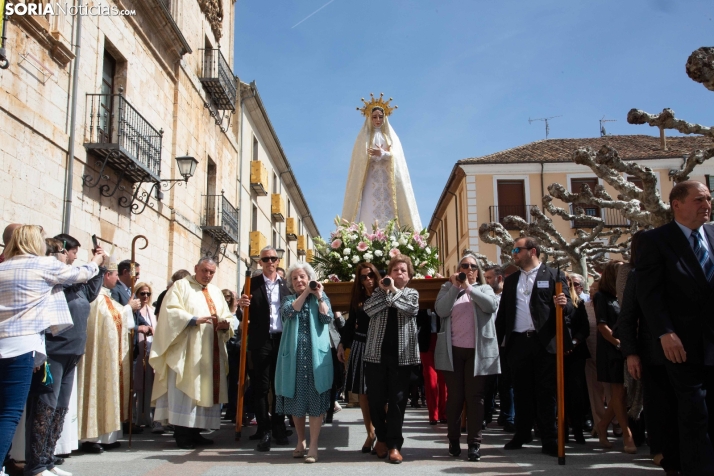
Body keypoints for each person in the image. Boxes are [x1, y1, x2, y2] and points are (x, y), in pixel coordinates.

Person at [0, 225, 101, 470]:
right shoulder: (42, 265)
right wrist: (96, 259)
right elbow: (81, 274)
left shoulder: (2, 267)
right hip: (22, 346)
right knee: (9, 413)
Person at [637, 180, 714, 475]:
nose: (706, 204)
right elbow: (649, 294)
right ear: (677, 204)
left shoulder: (713, 234)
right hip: (681, 345)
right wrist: (664, 332)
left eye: (708, 199)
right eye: (699, 199)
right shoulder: (656, 240)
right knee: (695, 412)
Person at [23, 236, 106, 476]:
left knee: (59, 408)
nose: (72, 257)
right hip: (54, 351)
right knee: (44, 407)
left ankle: (48, 457)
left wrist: (99, 268)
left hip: (73, 350)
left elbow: (89, 293)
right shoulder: (54, 276)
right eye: (70, 252)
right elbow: (78, 276)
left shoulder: (73, 279)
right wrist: (94, 264)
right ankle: (35, 464)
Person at [495, 236, 572, 457]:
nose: (514, 254)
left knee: (546, 393)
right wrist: (497, 343)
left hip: (544, 342)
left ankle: (549, 437)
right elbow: (503, 315)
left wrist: (564, 304)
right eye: (513, 250)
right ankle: (522, 433)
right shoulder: (511, 280)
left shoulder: (554, 275)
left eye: (517, 249)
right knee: (521, 391)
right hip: (518, 342)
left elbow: (568, 311)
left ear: (532, 251)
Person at [149, 257, 233, 449]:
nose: (208, 275)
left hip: (210, 353)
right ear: (196, 268)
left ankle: (196, 432)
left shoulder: (216, 291)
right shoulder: (181, 286)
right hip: (187, 350)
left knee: (203, 391)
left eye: (212, 272)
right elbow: (170, 312)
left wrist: (225, 324)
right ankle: (182, 434)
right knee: (186, 391)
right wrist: (193, 319)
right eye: (204, 271)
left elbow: (227, 315)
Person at [617, 232, 680, 473]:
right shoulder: (635, 274)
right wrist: (631, 353)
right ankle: (661, 451)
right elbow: (627, 316)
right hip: (653, 354)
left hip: (687, 352)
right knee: (658, 406)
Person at [434, 253, 500, 462]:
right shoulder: (447, 289)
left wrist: (469, 288)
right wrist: (455, 287)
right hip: (453, 351)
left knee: (476, 398)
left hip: (478, 353)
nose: (469, 269)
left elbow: (490, 306)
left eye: (473, 266)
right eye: (465, 265)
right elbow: (441, 310)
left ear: (478, 270)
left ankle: (474, 444)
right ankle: (453, 440)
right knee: (455, 397)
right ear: (459, 268)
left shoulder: (484, 289)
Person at [274, 263, 334, 464]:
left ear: (309, 278)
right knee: (297, 401)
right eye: (295, 278)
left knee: (316, 402)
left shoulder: (321, 298)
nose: (299, 281)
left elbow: (327, 318)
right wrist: (305, 293)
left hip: (316, 357)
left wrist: (318, 296)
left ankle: (314, 445)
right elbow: (290, 313)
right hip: (295, 357)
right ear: (291, 283)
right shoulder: (288, 299)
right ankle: (301, 441)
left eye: (302, 277)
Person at [363, 254, 420, 464]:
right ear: (389, 273)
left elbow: (411, 309)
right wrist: (386, 292)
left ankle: (394, 445)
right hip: (375, 355)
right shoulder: (379, 292)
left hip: (402, 356)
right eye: (395, 270)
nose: (399, 273)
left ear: (409, 275)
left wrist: (393, 292)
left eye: (403, 270)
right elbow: (368, 310)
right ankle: (382, 438)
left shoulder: (412, 293)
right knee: (376, 399)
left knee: (397, 402)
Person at [76, 256, 136, 453]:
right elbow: (113, 320)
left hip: (110, 357)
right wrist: (129, 308)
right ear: (106, 276)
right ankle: (91, 436)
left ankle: (108, 436)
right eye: (115, 275)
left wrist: (126, 309)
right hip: (99, 358)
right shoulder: (97, 299)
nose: (118, 279)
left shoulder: (106, 297)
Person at [237, 246, 292, 451]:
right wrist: (241, 306)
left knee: (279, 387)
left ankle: (279, 426)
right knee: (261, 387)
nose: (270, 262)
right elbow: (242, 317)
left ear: (278, 262)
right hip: (260, 341)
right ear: (260, 262)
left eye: (273, 259)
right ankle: (264, 429)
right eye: (266, 259)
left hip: (281, 340)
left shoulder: (286, 286)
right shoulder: (251, 284)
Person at [341, 95, 421, 230]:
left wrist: (384, 154)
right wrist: (369, 157)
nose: (378, 120)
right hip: (370, 181)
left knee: (390, 211)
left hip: (388, 182)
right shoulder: (363, 138)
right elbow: (358, 161)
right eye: (374, 117)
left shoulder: (391, 137)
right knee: (369, 208)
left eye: (380, 117)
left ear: (384, 118)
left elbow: (398, 158)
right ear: (369, 118)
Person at [594, 260, 636, 453]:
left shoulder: (622, 296)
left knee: (622, 394)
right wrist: (619, 344)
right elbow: (602, 327)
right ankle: (627, 435)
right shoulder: (601, 297)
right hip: (612, 349)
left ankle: (603, 425)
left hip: (624, 347)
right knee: (618, 392)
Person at [337, 262, 380, 453]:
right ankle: (370, 433)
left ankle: (382, 433)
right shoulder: (358, 298)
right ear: (359, 280)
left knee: (382, 392)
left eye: (370, 275)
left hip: (380, 347)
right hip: (361, 345)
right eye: (363, 277)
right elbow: (350, 323)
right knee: (363, 393)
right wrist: (341, 344)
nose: (368, 279)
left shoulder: (385, 292)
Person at [483, 265, 514, 432]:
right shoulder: (484, 296)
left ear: (499, 279)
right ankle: (485, 415)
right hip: (488, 345)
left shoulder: (509, 297)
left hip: (504, 346)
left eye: (489, 278)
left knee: (506, 384)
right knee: (488, 384)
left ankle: (509, 416)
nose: (486, 281)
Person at [563, 272, 591, 445]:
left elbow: (584, 328)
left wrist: (573, 342)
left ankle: (578, 430)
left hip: (575, 354)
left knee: (576, 394)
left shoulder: (578, 303)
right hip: (556, 354)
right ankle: (562, 431)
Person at [416, 307, 447, 426]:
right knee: (430, 378)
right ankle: (433, 415)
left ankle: (444, 414)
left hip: (442, 341)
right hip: (426, 344)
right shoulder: (421, 309)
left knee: (443, 380)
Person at [132, 282, 156, 429]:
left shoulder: (152, 311)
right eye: (142, 293)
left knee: (149, 385)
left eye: (148, 294)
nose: (145, 297)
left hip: (149, 351)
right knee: (136, 386)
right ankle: (134, 418)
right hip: (137, 352)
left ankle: (147, 417)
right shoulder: (134, 311)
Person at [325, 311, 345, 424]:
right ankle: (322, 410)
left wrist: (339, 316)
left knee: (333, 382)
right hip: (318, 348)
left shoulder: (332, 313)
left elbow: (343, 328)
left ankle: (330, 412)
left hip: (333, 349)